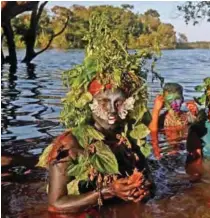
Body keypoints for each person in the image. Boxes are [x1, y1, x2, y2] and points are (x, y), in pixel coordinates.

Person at [36, 17, 154, 213]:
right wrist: (108, 191)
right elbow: (55, 205)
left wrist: (144, 190)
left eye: (118, 102)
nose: (111, 110)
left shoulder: (129, 139)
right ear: (90, 104)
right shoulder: (70, 144)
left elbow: (150, 181)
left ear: (128, 103)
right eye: (104, 102)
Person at [148, 83, 198, 159]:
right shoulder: (161, 120)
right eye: (170, 100)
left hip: (183, 148)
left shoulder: (187, 116)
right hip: (166, 148)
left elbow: (200, 127)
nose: (175, 103)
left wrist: (196, 113)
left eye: (178, 99)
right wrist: (156, 110)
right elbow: (152, 131)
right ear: (164, 102)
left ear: (183, 99)